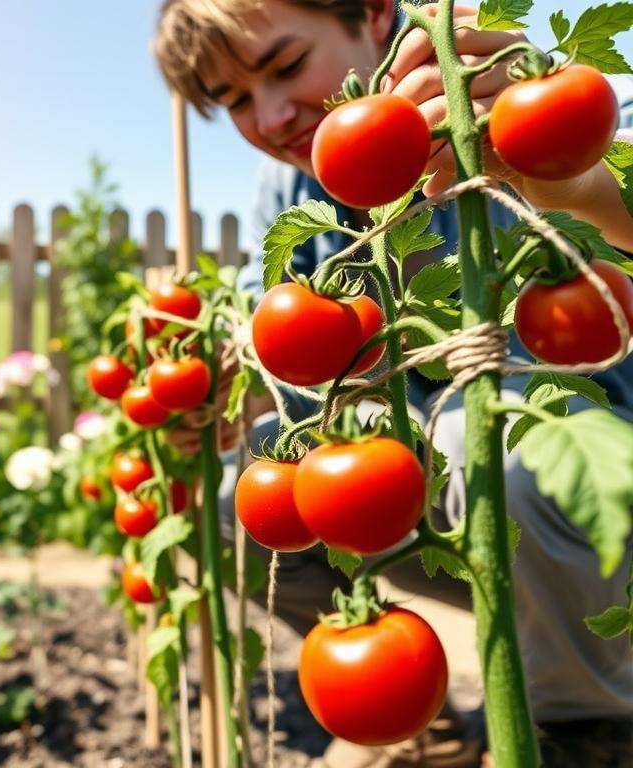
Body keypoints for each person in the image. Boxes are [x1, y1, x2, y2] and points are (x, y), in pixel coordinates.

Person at [153, 1, 633, 766]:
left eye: (282, 66)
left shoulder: (497, 94)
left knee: (514, 455)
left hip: (593, 492)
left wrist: (562, 168)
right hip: (422, 480)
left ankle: (591, 732)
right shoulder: (293, 193)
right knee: (229, 496)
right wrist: (215, 397)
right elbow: (263, 334)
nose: (271, 116)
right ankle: (410, 696)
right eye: (235, 99)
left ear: (376, 14)